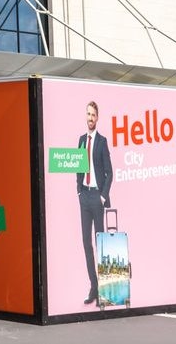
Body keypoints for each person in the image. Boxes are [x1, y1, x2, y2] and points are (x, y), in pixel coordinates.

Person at [77, 100, 113, 305]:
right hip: (84, 197)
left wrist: (102, 196)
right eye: (88, 114)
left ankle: (103, 290)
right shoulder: (81, 140)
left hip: (97, 198)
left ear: (97, 118)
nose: (90, 117)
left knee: (100, 243)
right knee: (86, 243)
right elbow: (77, 166)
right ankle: (94, 288)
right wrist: (78, 191)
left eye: (93, 114)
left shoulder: (102, 141)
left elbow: (110, 173)